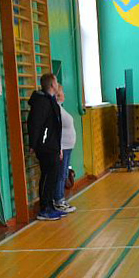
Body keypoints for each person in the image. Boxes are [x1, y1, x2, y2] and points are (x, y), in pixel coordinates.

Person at [27, 73, 64, 221]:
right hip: (45, 147)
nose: (57, 84)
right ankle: (44, 209)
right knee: (48, 176)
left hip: (53, 146)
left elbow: (56, 127)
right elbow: (35, 124)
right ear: (52, 85)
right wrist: (33, 144)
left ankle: (50, 204)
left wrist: (59, 147)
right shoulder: (41, 102)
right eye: (56, 82)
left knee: (53, 176)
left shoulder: (51, 101)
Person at [54, 84, 78, 214]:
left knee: (63, 174)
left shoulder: (60, 108)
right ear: (57, 94)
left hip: (68, 147)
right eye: (62, 92)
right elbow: (55, 130)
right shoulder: (56, 109)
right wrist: (60, 148)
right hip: (63, 147)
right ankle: (58, 200)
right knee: (61, 174)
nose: (64, 94)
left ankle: (61, 199)